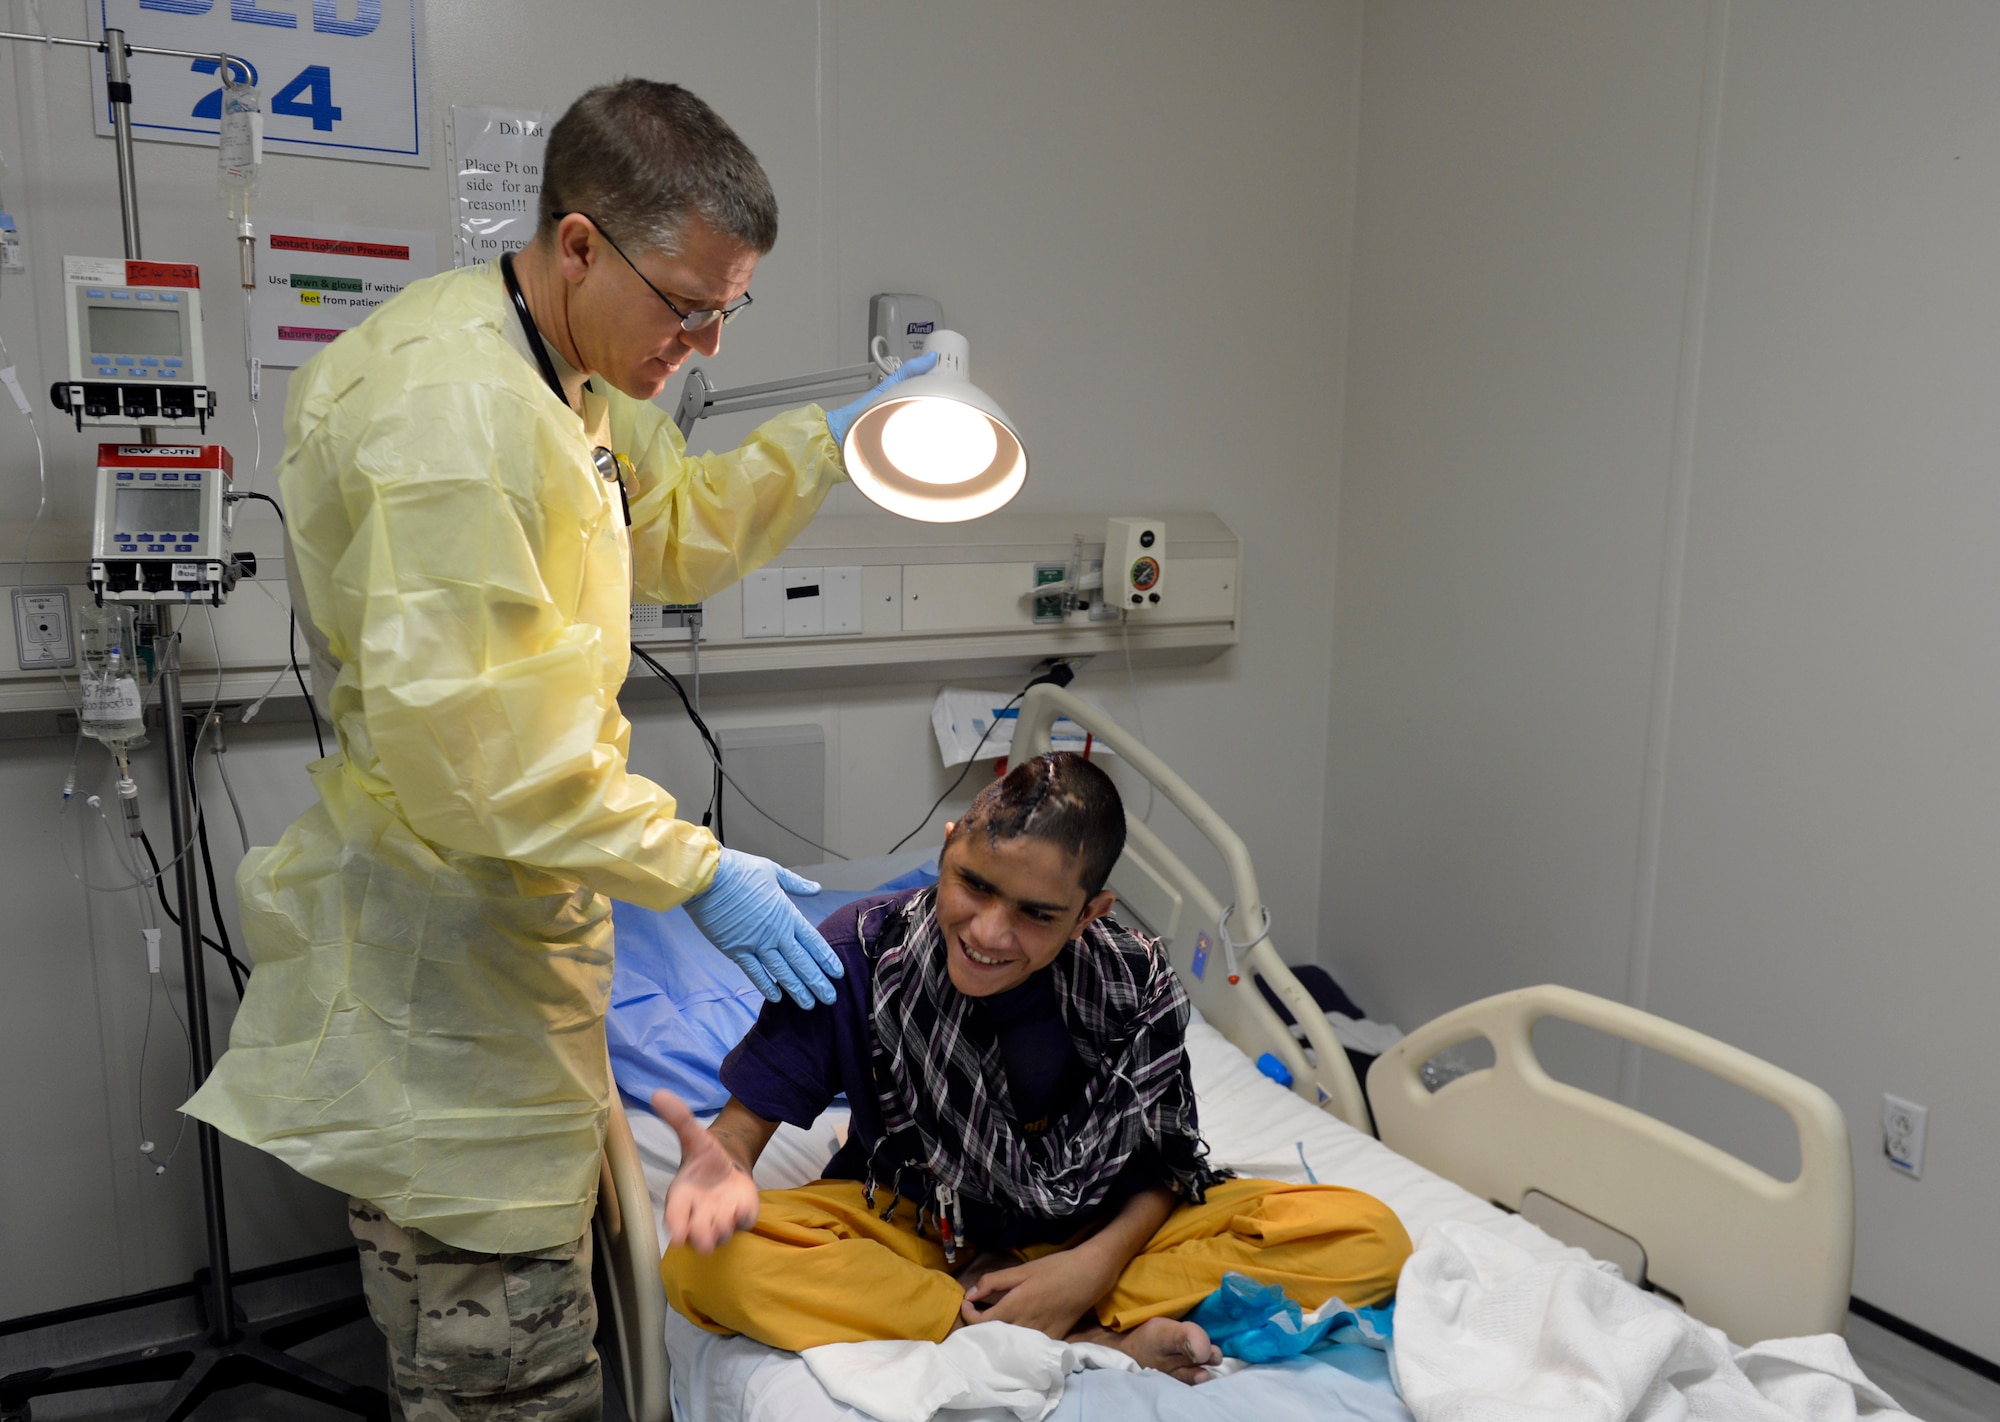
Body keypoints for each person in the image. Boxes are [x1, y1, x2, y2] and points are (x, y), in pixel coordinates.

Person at [182, 80, 925, 1421]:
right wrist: (701, 871)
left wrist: (833, 442)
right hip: (449, 999)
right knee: (511, 1391)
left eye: (727, 311)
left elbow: (674, 527)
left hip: (522, 963)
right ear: (579, 243)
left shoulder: (566, 366)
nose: (699, 344)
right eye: (684, 304)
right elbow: (489, 760)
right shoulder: (453, 422)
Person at [657, 753, 1414, 1382]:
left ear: (1091, 912)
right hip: (918, 1226)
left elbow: (1164, 1166)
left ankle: (1038, 1312)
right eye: (973, 884)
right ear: (951, 844)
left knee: (1368, 1234)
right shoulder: (860, 955)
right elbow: (741, 1129)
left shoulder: (1131, 982)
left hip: (1100, 1235)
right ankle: (1081, 1337)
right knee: (704, 1266)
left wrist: (1087, 1267)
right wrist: (718, 1165)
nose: (989, 932)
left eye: (1036, 913)